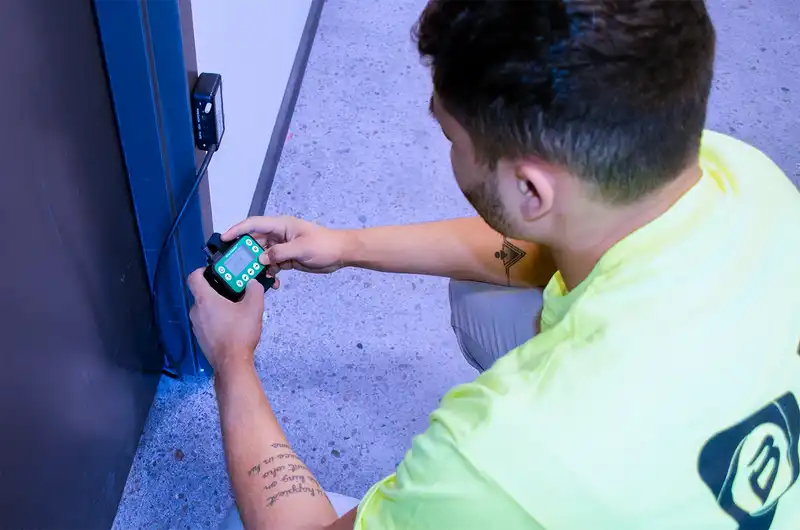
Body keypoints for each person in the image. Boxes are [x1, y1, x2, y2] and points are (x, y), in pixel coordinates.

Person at [188, 1, 800, 528]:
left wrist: (232, 358)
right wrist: (346, 246)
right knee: (486, 296)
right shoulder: (745, 177)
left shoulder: (500, 457)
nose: (451, 151)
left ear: (532, 190)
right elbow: (534, 247)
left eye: (453, 137)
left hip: (576, 462)